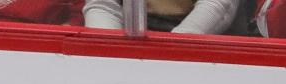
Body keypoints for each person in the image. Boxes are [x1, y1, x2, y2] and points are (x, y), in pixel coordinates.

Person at [83, 0, 243, 33]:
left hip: (199, 35)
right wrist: (107, 48)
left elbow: (218, 4)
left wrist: (174, 47)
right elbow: (102, 5)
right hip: (127, 29)